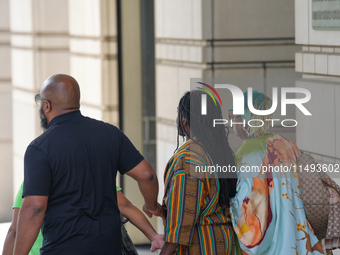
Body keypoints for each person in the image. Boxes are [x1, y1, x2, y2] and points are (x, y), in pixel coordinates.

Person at [13, 74, 163, 255]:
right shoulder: (110, 134)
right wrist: (152, 206)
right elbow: (147, 175)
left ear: (47, 105)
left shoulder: (40, 148)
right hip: (109, 249)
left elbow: (34, 208)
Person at [229, 90, 324, 254]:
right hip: (298, 240)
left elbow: (250, 204)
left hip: (274, 247)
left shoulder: (247, 152)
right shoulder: (288, 144)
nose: (231, 120)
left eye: (233, 114)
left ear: (245, 119)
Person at [152, 90, 237, 255]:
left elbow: (183, 216)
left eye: (179, 114)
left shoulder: (189, 158)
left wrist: (166, 251)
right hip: (223, 241)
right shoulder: (218, 151)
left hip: (201, 245)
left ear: (184, 119)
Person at [2, 182, 164, 255]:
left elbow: (15, 231)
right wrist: (154, 236)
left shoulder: (32, 181)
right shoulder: (94, 177)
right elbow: (126, 206)